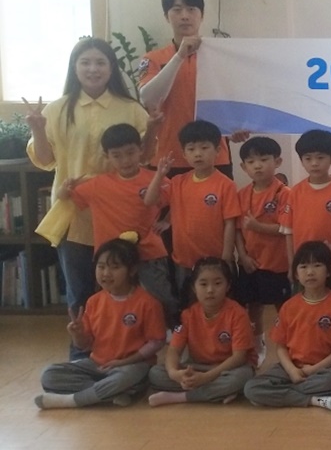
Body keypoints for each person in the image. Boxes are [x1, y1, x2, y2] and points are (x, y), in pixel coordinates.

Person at [25, 38, 153, 358]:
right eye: (85, 62)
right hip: (75, 213)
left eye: (100, 62)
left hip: (120, 215)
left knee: (123, 290)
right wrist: (38, 128)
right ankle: (83, 358)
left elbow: (148, 155)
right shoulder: (57, 109)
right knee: (80, 290)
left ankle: (124, 356)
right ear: (74, 68)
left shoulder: (130, 108)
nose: (93, 69)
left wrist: (155, 127)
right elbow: (45, 161)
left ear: (111, 68)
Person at [62, 124, 176, 327]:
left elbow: (180, 200)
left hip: (149, 254)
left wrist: (167, 221)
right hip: (111, 259)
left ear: (141, 150)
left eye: (130, 153)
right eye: (117, 155)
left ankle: (174, 333)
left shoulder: (155, 178)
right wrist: (64, 189)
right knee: (112, 302)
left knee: (162, 298)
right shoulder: (97, 185)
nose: (125, 160)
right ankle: (115, 338)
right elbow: (66, 197)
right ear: (107, 156)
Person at [35, 236, 165, 409]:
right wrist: (77, 334)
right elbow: (84, 345)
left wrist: (123, 362)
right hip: (98, 365)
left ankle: (73, 400)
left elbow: (156, 342)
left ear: (132, 270)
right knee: (49, 375)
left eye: (115, 267)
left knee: (128, 377)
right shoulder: (94, 301)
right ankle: (112, 393)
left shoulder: (147, 302)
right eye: (101, 266)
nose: (106, 273)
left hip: (131, 365)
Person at [138, 0, 244, 178]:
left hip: (214, 157)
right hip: (168, 158)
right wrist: (179, 56)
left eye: (191, 9)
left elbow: (232, 99)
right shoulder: (153, 58)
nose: (185, 16)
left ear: (202, 16)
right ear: (166, 16)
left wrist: (235, 126)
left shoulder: (220, 56)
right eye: (177, 10)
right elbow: (148, 99)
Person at [144, 120, 240, 307]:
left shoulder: (226, 184)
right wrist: (159, 175)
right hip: (184, 262)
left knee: (220, 306)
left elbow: (230, 223)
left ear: (217, 151)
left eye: (204, 148)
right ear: (184, 154)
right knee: (188, 307)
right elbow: (149, 200)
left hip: (215, 260)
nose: (198, 153)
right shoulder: (178, 182)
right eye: (191, 149)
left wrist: (226, 257)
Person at [243, 241, 331, 412]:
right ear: (296, 274)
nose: (310, 272)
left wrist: (313, 370)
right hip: (292, 366)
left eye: (317, 265)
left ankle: (279, 395)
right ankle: (312, 399)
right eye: (303, 266)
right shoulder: (289, 307)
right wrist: (291, 370)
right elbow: (281, 347)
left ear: (329, 271)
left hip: (326, 369)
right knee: (251, 388)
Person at [147, 258, 255, 406]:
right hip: (199, 367)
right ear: (194, 287)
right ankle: (219, 393)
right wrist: (175, 374)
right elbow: (174, 350)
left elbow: (239, 357)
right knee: (155, 373)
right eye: (203, 284)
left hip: (229, 369)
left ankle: (181, 397)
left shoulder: (238, 314)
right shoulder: (187, 315)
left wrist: (206, 378)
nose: (210, 290)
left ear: (228, 286)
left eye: (217, 283)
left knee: (241, 377)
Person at [280, 129, 331, 300]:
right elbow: (289, 232)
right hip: (304, 266)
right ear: (302, 160)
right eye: (308, 158)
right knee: (306, 307)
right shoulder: (294, 193)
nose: (314, 163)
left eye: (320, 157)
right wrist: (291, 264)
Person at [233, 136, 291, 360]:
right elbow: (238, 230)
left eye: (264, 159)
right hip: (251, 263)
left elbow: (286, 228)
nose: (257, 165)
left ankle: (290, 345)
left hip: (277, 264)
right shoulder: (241, 194)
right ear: (243, 167)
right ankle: (258, 345)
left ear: (277, 162)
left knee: (283, 308)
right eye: (251, 162)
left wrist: (258, 227)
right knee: (253, 307)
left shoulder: (284, 193)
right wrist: (243, 256)